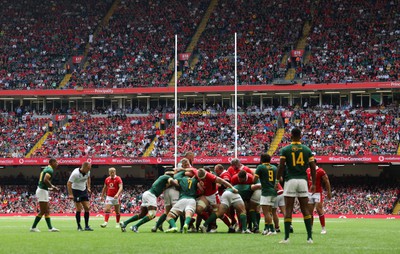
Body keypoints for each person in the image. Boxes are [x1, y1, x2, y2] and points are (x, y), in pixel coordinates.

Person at [276, 127, 316, 244]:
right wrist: (313, 183)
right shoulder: (307, 150)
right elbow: (313, 167)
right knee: (305, 209)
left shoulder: (285, 150)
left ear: (291, 136)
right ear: (301, 136)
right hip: (303, 181)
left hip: (290, 180)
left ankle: (287, 238)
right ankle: (309, 237)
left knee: (288, 208)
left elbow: (281, 166)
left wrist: (277, 181)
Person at [30, 158, 60, 232]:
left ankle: (50, 228)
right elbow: (45, 180)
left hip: (43, 190)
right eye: (56, 162)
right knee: (43, 211)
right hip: (42, 191)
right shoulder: (50, 170)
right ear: (52, 162)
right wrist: (53, 187)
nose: (57, 163)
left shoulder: (46, 169)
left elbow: (43, 182)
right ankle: (33, 227)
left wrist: (50, 189)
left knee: (46, 210)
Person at [254, 153, 278, 235]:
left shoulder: (260, 167)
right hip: (274, 192)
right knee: (269, 211)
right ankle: (266, 228)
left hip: (266, 191)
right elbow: (280, 178)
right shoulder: (274, 167)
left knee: (265, 212)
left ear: (261, 160)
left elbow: (254, 180)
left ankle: (272, 230)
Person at [307, 160, 332, 234]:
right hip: (310, 193)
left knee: (319, 209)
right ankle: (310, 228)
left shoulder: (320, 171)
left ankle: (323, 228)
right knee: (310, 212)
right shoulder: (308, 170)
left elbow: (326, 181)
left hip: (318, 193)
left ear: (315, 163)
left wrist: (329, 192)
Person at [67, 162, 93, 231]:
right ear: (84, 167)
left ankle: (86, 226)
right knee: (79, 209)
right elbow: (69, 183)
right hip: (76, 191)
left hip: (83, 190)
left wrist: (88, 187)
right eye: (88, 168)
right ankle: (79, 226)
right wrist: (70, 194)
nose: (89, 170)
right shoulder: (75, 173)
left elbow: (88, 178)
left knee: (87, 208)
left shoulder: (88, 172)